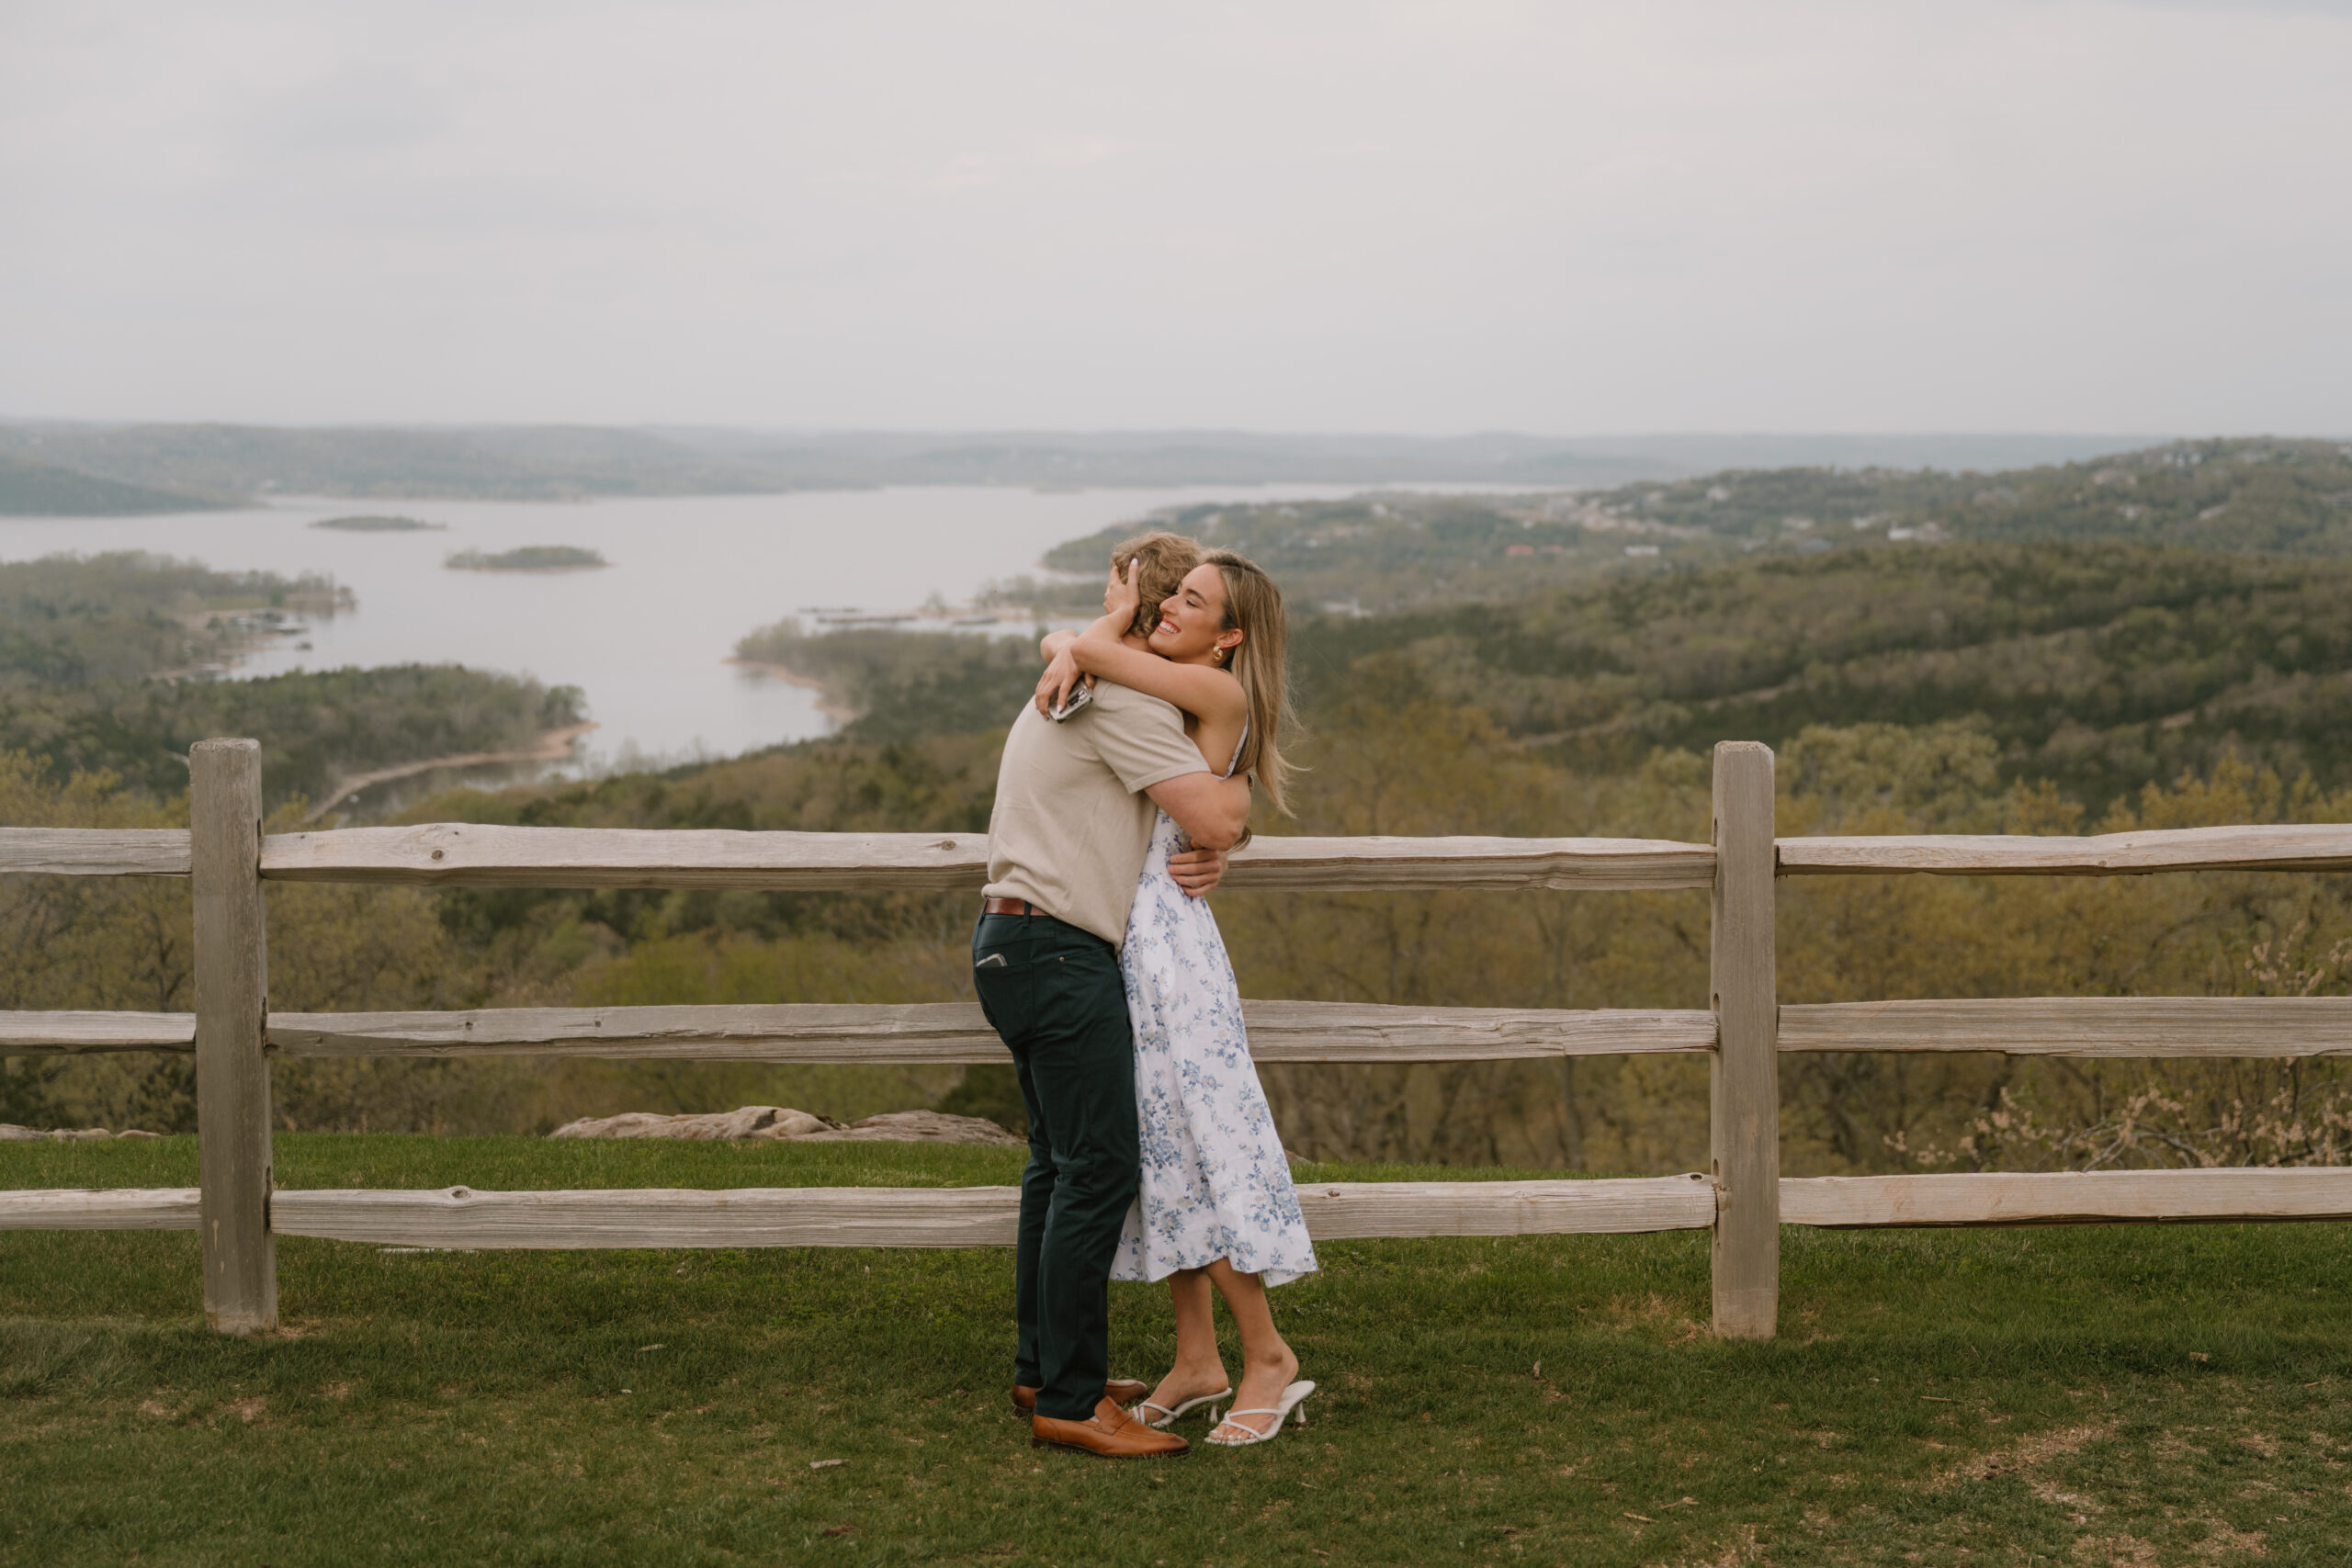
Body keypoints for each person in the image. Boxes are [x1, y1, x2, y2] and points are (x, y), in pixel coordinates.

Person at [973, 535, 1252, 1461]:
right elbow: (1212, 815)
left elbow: (1188, 824)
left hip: (1011, 941)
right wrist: (1223, 827)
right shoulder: (1125, 698)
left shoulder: (1081, 676)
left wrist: (1082, 634)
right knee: (1097, 1170)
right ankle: (1071, 1400)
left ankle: (1039, 1367)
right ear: (1151, 613)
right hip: (1057, 950)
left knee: (1055, 1167)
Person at [1035, 546, 1318, 1448]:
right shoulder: (1168, 689)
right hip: (1131, 936)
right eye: (1170, 594)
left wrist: (1075, 636)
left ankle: (1266, 1355)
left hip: (1173, 950)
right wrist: (1072, 645)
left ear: (1229, 637)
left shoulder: (1218, 694)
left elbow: (1090, 652)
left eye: (1190, 602)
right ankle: (1197, 1359)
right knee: (1159, 1153)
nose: (1168, 608)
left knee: (1203, 1142)